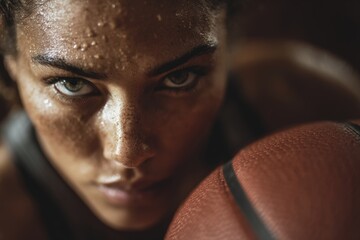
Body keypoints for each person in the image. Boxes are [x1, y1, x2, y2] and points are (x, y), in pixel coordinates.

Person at [0, 0, 252, 239]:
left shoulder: (284, 101)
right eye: (72, 85)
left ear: (228, 46)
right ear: (11, 64)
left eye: (180, 78)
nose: (128, 154)